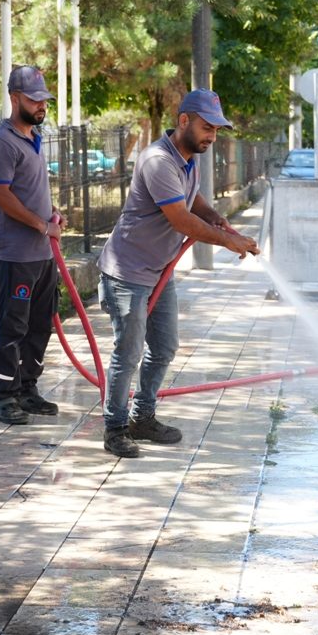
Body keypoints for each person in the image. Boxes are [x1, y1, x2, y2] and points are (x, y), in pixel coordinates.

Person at [97, 88, 260, 458]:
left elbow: (192, 201)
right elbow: (180, 219)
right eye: (207, 127)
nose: (212, 136)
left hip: (158, 270)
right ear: (183, 121)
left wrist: (214, 216)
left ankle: (144, 417)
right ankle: (115, 428)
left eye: (217, 130)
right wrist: (228, 241)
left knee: (165, 346)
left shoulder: (189, 159)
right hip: (127, 271)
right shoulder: (157, 160)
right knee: (129, 352)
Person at [0, 65, 67, 425]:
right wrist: (41, 224)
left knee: (39, 325)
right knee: (12, 327)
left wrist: (52, 213)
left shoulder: (33, 137)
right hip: (15, 254)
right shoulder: (1, 143)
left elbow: (30, 191)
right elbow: (0, 195)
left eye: (44, 100)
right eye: (34, 100)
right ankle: (3, 397)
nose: (41, 106)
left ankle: (27, 389)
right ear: (14, 98)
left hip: (42, 254)